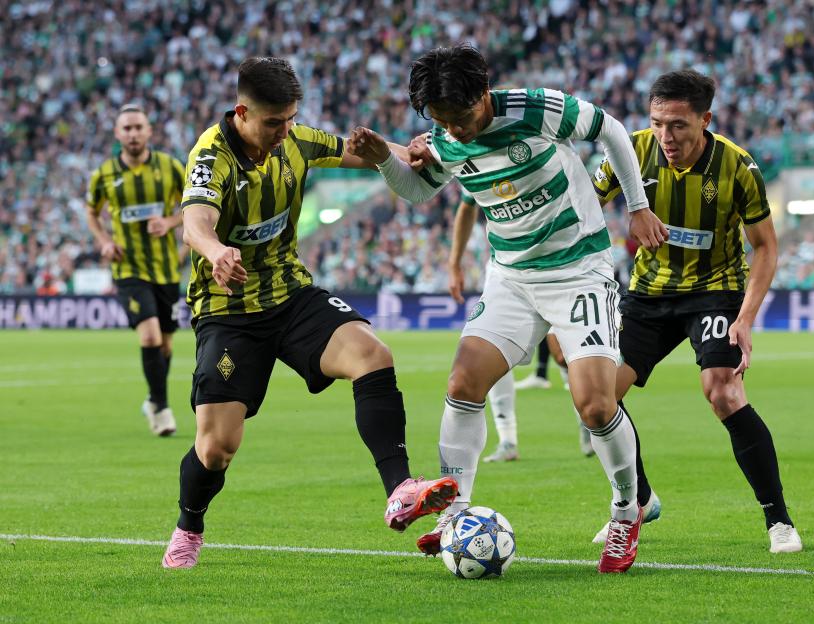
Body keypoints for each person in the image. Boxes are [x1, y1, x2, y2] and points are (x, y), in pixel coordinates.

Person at [348, 44, 668, 573]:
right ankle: (456, 515)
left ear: (484, 92)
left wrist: (637, 207)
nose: (458, 130)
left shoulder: (537, 109)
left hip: (578, 270)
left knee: (594, 403)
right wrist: (385, 156)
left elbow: (611, 129)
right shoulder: (447, 137)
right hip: (512, 278)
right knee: (462, 383)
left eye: (464, 116)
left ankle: (626, 510)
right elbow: (419, 193)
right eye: (444, 122)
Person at [160, 57, 457, 569]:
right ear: (242, 112)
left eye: (292, 118)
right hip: (229, 311)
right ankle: (189, 525)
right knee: (216, 448)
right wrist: (215, 252)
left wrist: (403, 150)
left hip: (291, 294)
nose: (285, 131)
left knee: (372, 354)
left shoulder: (294, 139)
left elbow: (356, 151)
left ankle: (401, 488)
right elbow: (195, 223)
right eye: (274, 122)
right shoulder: (211, 156)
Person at [589, 70, 802, 554]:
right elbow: (584, 204)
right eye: (658, 123)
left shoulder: (738, 168)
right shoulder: (630, 150)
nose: (667, 136)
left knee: (723, 391)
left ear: (705, 119)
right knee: (598, 399)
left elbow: (765, 248)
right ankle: (639, 500)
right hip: (648, 293)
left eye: (679, 125)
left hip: (715, 289)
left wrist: (745, 318)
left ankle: (779, 521)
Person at [86, 104, 185, 437]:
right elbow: (91, 212)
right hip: (128, 268)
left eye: (137, 127)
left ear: (149, 131)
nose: (132, 134)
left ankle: (152, 399)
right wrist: (103, 241)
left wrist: (170, 221)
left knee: (166, 347)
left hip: (167, 269)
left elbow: (196, 202)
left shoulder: (171, 168)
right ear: (117, 133)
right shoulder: (104, 175)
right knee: (150, 336)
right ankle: (161, 408)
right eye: (126, 128)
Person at [446, 188, 519, 463]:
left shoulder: (541, 146)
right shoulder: (475, 155)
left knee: (561, 353)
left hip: (560, 265)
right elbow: (467, 207)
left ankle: (591, 428)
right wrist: (454, 264)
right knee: (492, 351)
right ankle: (508, 439)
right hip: (505, 268)